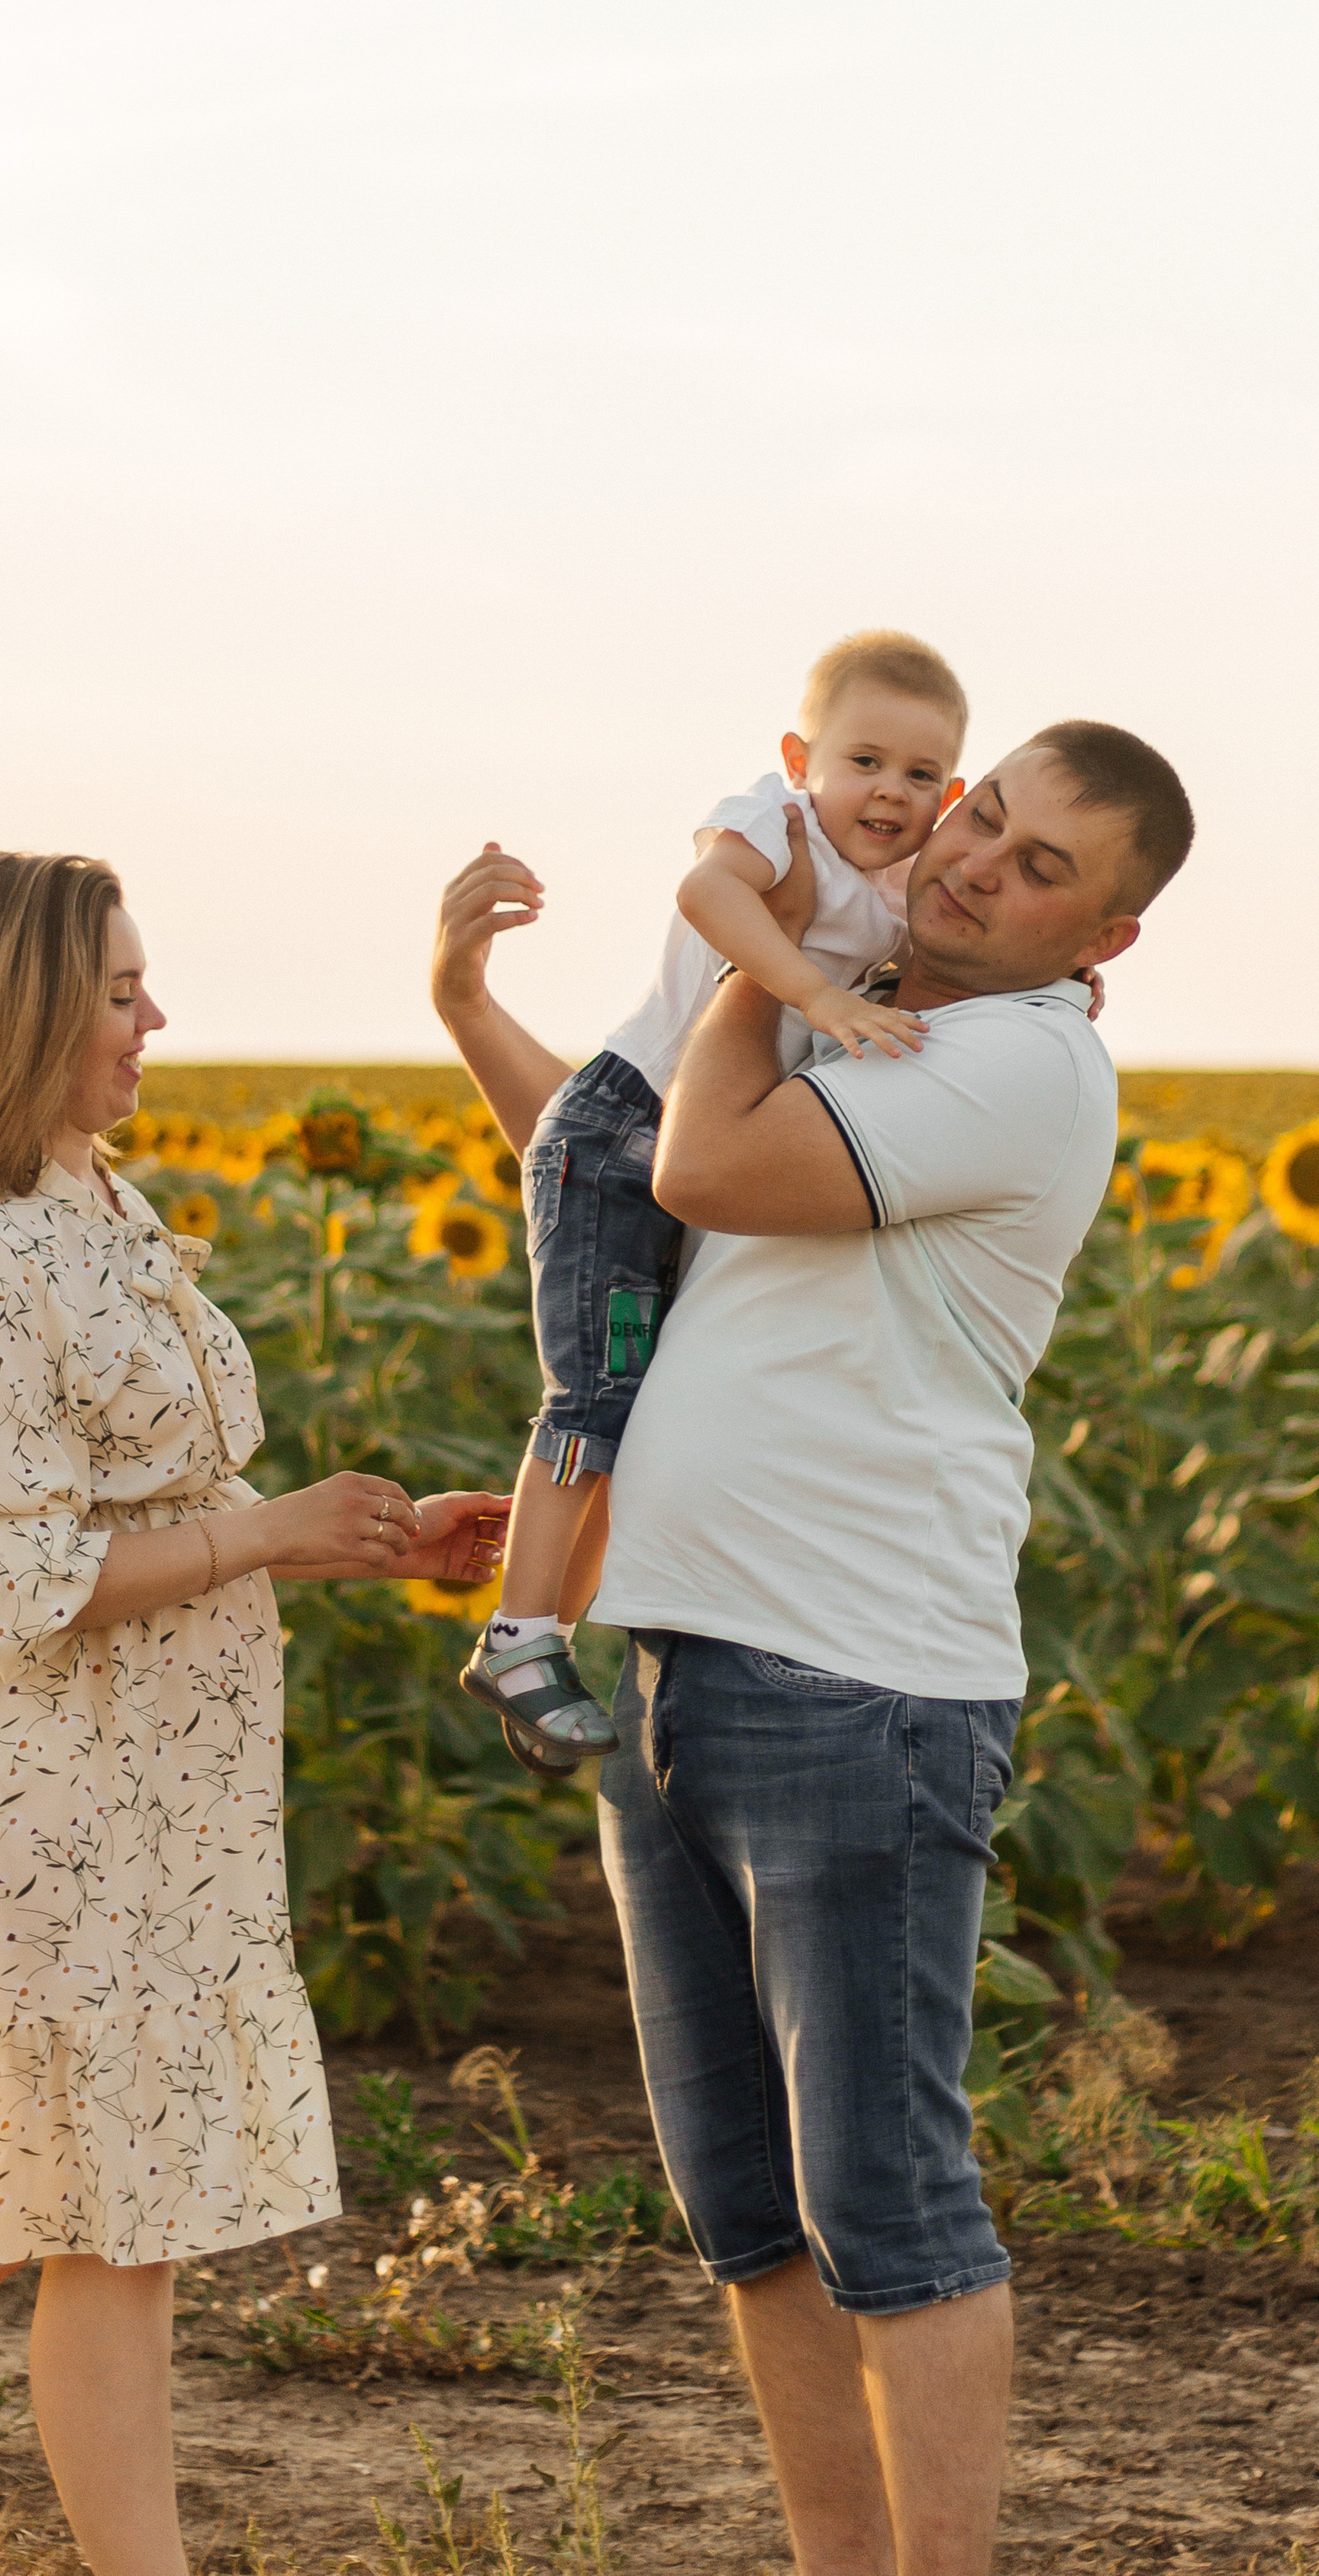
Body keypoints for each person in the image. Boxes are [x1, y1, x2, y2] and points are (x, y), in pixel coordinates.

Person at [432, 721, 1194, 2576]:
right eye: (978, 815)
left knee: (889, 2208)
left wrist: (761, 941)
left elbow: (696, 1162)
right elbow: (598, 1164)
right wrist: (468, 1000)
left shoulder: (1005, 1059)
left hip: (858, 1685)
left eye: (1034, 870)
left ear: (1103, 938)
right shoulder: (857, 1012)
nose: (969, 861)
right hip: (681, 1663)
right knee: (752, 2221)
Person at [0, 851, 507, 2576]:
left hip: (139, 1784)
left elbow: (146, 1511)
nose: (156, 1020)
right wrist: (268, 1533)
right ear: (22, 1016)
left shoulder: (96, 1208)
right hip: (22, 1791)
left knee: (88, 2215)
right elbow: (16, 1576)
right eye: (118, 993)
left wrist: (361, 1544)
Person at [458, 630, 968, 1778]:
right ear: (802, 759)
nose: (890, 791)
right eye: (865, 761)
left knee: (634, 1413)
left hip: (684, 1155)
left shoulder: (897, 890)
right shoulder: (779, 829)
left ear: (955, 793)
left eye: (922, 775)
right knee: (591, 1398)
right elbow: (707, 892)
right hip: (619, 1136)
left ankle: (556, 1641)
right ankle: (519, 1639)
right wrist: (812, 992)